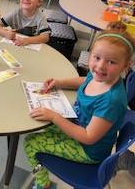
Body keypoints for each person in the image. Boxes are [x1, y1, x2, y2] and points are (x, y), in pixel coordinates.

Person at [23, 27, 135, 189]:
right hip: (77, 125)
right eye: (97, 58)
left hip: (88, 150)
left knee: (30, 143)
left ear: (125, 66)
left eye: (111, 62)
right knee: (39, 125)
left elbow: (88, 137)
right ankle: (42, 169)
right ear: (91, 55)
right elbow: (85, 80)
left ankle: (42, 183)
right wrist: (60, 83)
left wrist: (55, 117)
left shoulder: (111, 100)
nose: (101, 66)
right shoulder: (99, 75)